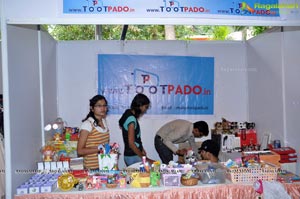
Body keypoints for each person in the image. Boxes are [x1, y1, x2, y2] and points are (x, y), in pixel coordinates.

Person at [119, 93, 154, 166]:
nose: (145, 110)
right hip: (133, 156)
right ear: (140, 106)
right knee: (154, 168)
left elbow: (135, 138)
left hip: (132, 155)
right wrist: (144, 157)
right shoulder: (131, 120)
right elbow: (131, 144)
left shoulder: (128, 113)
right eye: (146, 107)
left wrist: (142, 149)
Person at [77, 95, 110, 170]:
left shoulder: (104, 122)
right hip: (92, 168)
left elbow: (105, 145)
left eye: (104, 105)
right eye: (99, 106)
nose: (103, 108)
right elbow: (80, 151)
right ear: (92, 108)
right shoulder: (87, 124)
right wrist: (100, 148)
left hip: (105, 165)